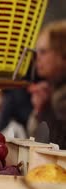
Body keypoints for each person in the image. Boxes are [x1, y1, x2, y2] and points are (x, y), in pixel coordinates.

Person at [28, 20, 66, 148]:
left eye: (43, 52)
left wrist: (43, 109)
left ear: (62, 54)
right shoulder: (53, 90)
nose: (37, 57)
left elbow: (55, 148)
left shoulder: (61, 97)